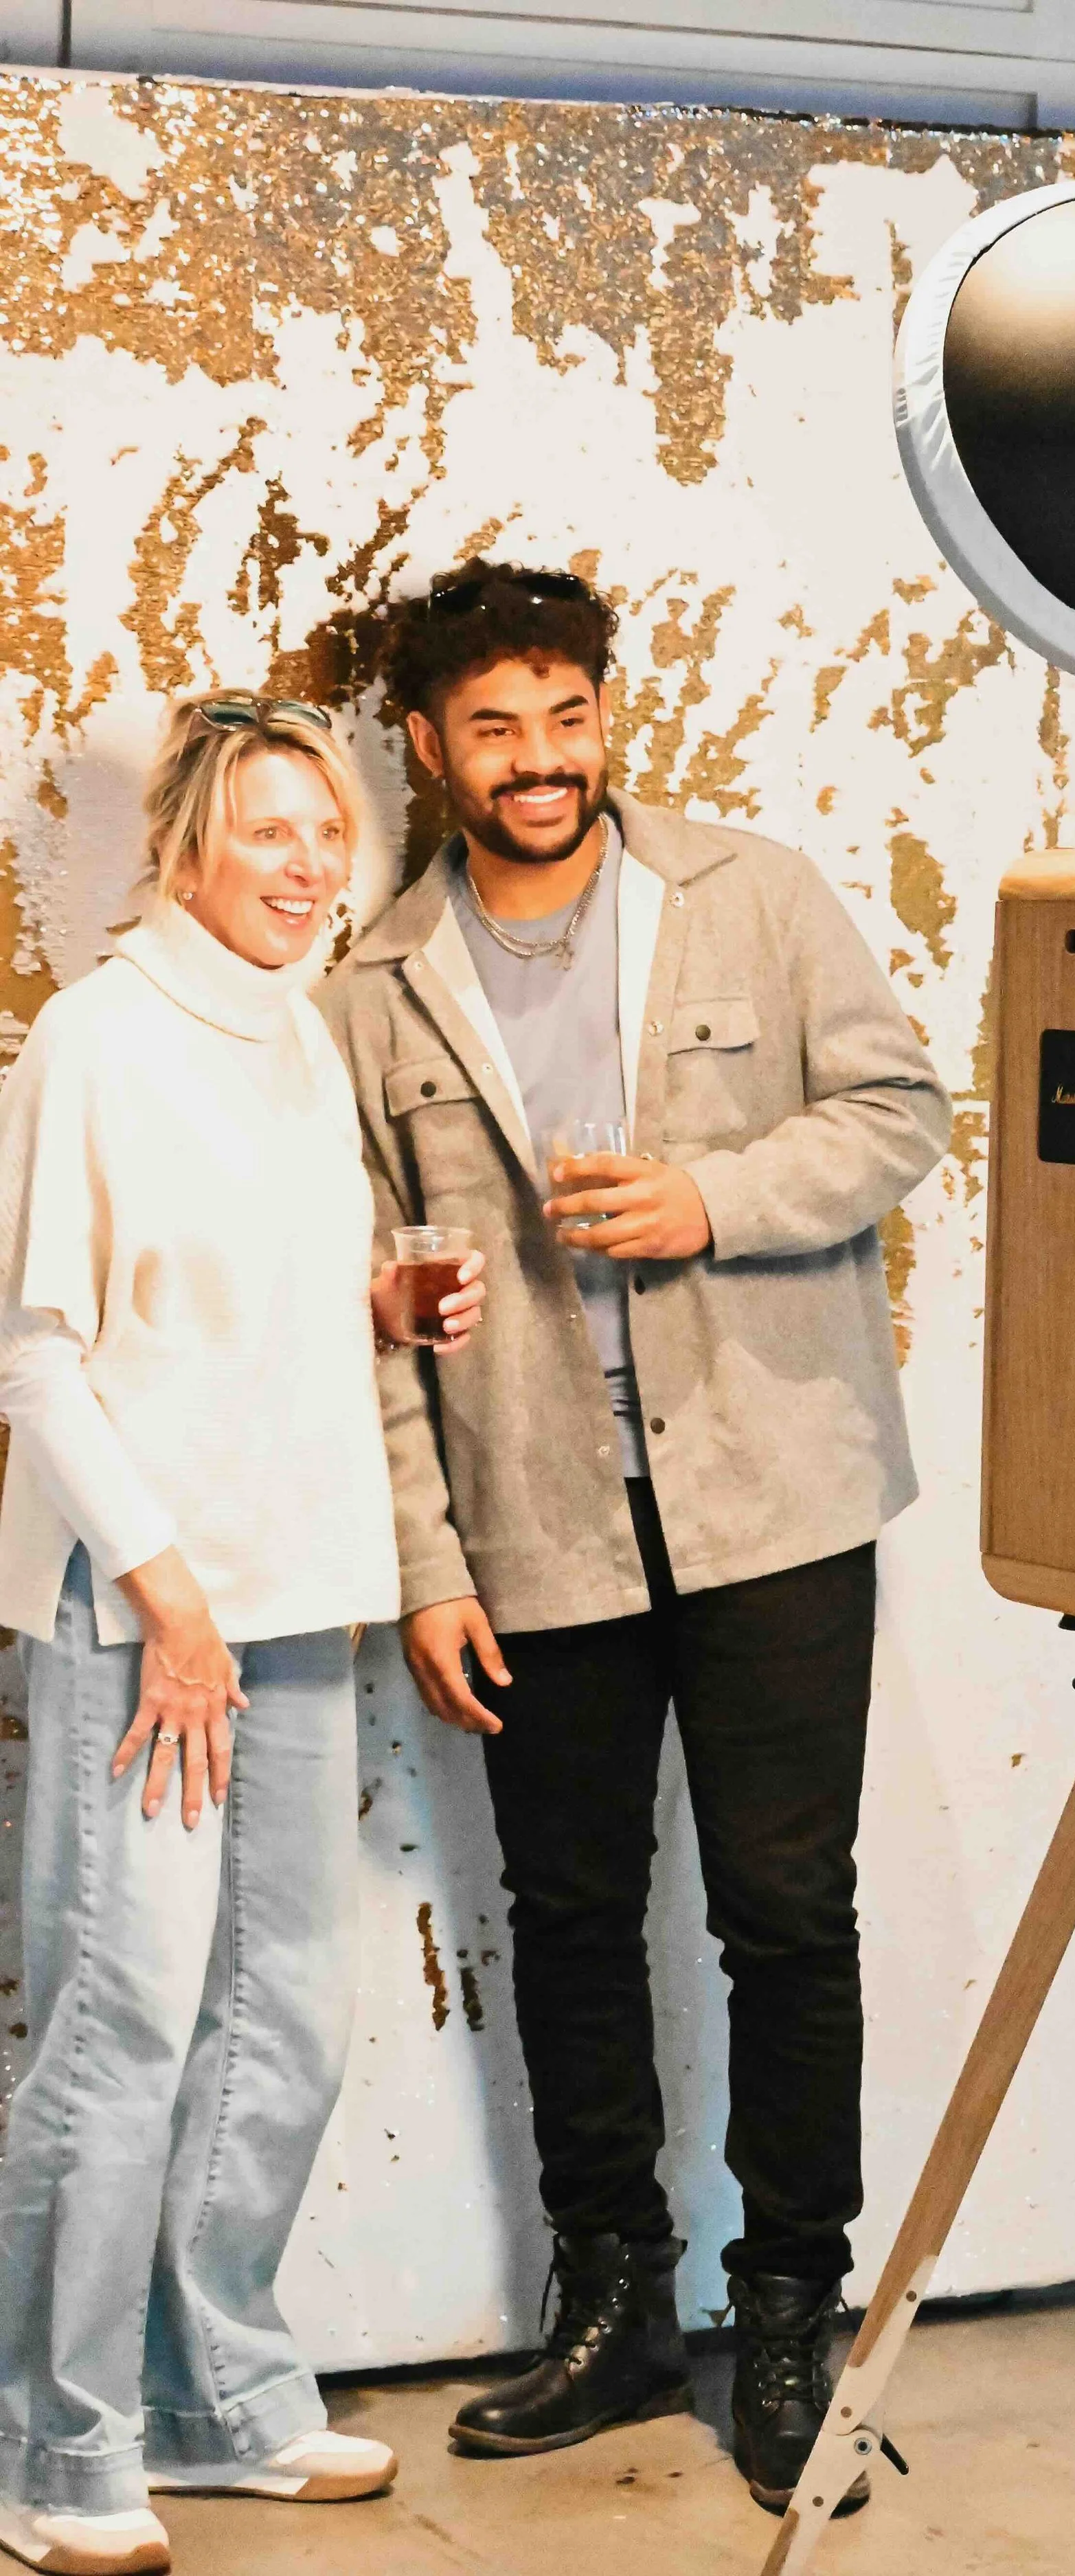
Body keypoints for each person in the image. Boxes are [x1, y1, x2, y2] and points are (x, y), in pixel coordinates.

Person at [319, 562, 951, 2518]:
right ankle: (613, 2304)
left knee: (788, 1911)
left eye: (566, 714)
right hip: (534, 1515)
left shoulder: (753, 892)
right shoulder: (371, 986)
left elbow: (899, 1108)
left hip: (775, 1495)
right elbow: (366, 1307)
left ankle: (790, 2306)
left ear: (606, 712)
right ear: (429, 746)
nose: (540, 757)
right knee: (572, 1910)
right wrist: (428, 1561)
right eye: (494, 726)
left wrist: (713, 1198)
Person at [0, 693, 484, 2576]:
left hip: (296, 1590)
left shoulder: (296, 1030)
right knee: (121, 2021)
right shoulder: (99, 1038)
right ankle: (54, 2442)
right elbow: (40, 1358)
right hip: (148, 1610)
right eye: (269, 829)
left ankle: (223, 2397)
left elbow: (231, 1300)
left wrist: (381, 1297)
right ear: (186, 846)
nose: (307, 864)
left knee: (284, 2006)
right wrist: (167, 1596)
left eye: (328, 832)